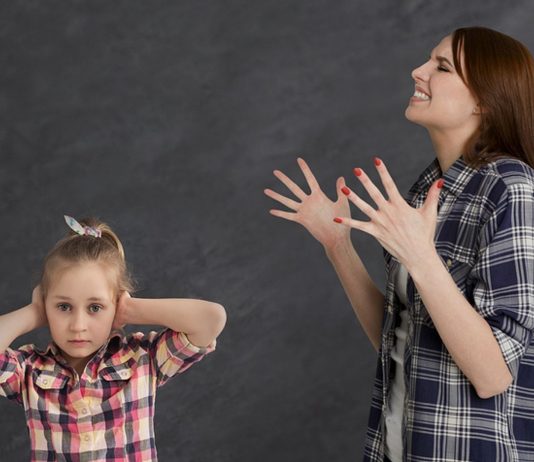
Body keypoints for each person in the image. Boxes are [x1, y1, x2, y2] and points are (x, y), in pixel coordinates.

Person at [264, 26, 534, 461]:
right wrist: (338, 245)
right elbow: (400, 340)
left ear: (485, 100)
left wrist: (423, 260)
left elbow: (494, 375)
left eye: (441, 67)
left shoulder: (511, 189)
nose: (418, 71)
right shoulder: (426, 192)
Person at [0, 215, 226, 461]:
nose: (78, 326)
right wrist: (32, 313)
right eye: (64, 307)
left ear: (116, 305)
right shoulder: (29, 371)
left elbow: (211, 319)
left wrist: (132, 310)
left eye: (95, 307)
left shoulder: (142, 358)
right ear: (46, 306)